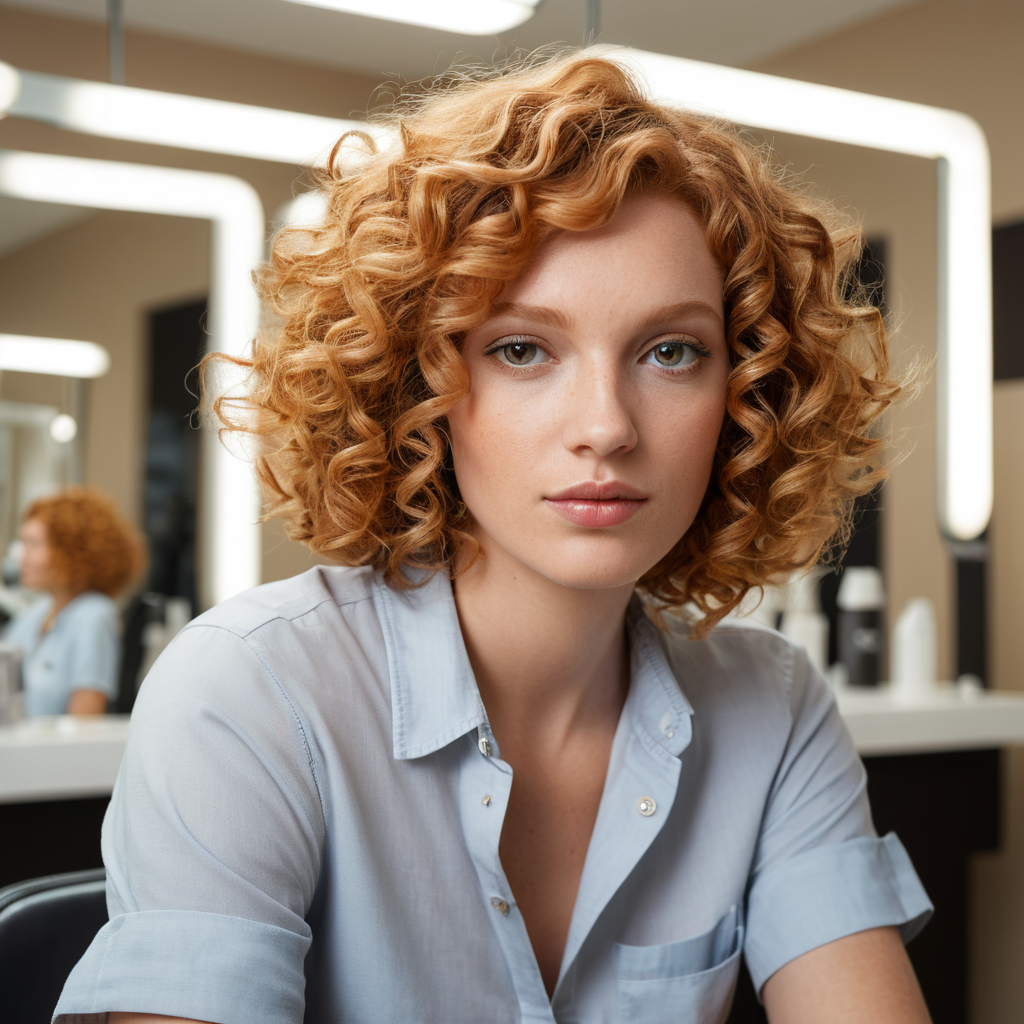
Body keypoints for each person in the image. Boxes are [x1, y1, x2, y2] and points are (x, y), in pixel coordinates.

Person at [56, 52, 932, 1023]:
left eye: (670, 351)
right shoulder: (251, 693)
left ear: (745, 397)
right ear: (418, 384)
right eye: (521, 349)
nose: (606, 425)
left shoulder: (771, 713)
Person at [4, 487, 144, 717]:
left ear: (70, 552)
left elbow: (84, 725)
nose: (21, 557)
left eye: (34, 544)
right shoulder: (34, 615)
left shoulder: (93, 616)